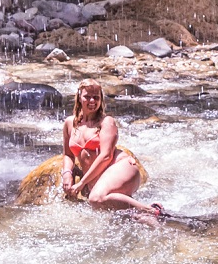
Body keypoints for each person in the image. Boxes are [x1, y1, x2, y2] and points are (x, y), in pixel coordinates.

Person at [61, 80, 164, 220]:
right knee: (126, 217)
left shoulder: (106, 122)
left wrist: (81, 183)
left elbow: (106, 156)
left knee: (96, 198)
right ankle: (148, 214)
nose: (92, 100)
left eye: (96, 97)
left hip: (121, 167)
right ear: (79, 97)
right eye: (87, 96)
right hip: (100, 178)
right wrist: (67, 173)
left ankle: (152, 210)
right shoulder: (69, 123)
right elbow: (68, 154)